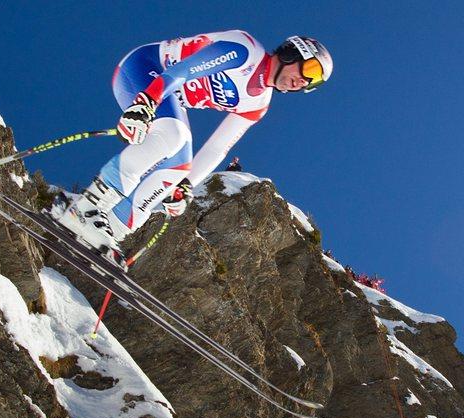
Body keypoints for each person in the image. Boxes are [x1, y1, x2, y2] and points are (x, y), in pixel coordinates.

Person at [58, 31, 332, 266]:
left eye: (313, 83)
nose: (304, 82)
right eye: (310, 71)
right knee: (174, 134)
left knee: (177, 172)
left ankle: (110, 231)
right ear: (291, 53)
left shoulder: (258, 103)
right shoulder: (246, 50)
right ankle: (88, 207)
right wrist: (147, 101)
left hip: (165, 99)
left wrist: (186, 186)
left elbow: (218, 147)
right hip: (146, 71)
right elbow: (183, 71)